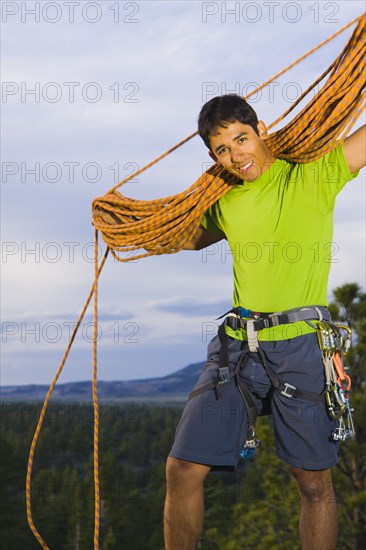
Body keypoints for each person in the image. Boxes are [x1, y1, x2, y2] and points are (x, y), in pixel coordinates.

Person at [164, 94, 365, 550]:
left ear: (261, 129)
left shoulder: (314, 176)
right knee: (181, 468)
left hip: (302, 347)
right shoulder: (226, 200)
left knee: (313, 484)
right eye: (222, 150)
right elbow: (187, 238)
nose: (237, 156)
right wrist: (131, 224)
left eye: (241, 138)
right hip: (237, 345)